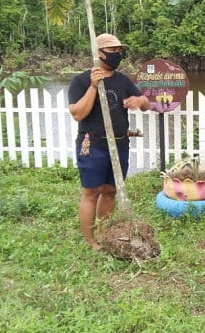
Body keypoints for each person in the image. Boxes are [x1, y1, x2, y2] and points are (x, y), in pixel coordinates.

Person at [67, 33, 150, 250]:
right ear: (99, 53)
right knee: (91, 192)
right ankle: (91, 241)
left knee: (110, 190)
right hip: (93, 143)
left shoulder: (123, 80)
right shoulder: (82, 80)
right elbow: (77, 114)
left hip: (120, 143)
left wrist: (139, 100)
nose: (117, 55)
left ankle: (105, 233)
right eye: (112, 51)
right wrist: (94, 87)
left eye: (119, 52)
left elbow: (146, 104)